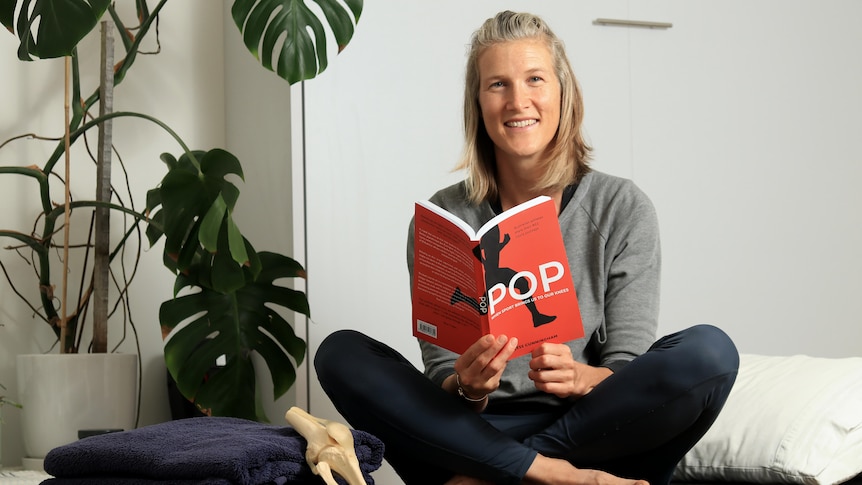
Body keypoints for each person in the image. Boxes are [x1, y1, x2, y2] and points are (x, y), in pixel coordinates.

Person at [315, 10, 739, 485]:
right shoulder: (442, 217)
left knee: (710, 352)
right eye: (498, 84)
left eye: (535, 79)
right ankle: (551, 475)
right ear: (478, 103)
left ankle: (502, 473)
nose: (519, 101)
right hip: (468, 432)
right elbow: (441, 377)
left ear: (563, 93)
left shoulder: (622, 207)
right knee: (339, 353)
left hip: (591, 432)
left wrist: (584, 378)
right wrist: (470, 388)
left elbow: (628, 367)